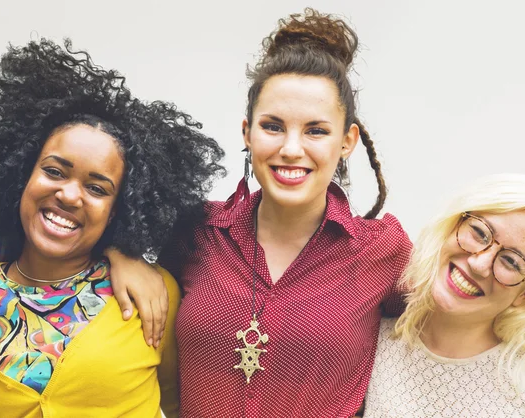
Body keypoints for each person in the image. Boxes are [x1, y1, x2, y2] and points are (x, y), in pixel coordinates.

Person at [110, 8, 412, 417]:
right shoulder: (195, 231)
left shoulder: (384, 252)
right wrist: (117, 254)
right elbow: (76, 235)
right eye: (273, 126)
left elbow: (459, 323)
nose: (291, 148)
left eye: (316, 130)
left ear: (347, 141)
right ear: (246, 132)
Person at [0, 39, 224, 417]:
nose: (69, 195)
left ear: (119, 210)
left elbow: (182, 405)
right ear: (23, 174)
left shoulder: (152, 295)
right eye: (54, 171)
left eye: (97, 188)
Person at [364, 174, 525, 417]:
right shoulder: (370, 342)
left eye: (511, 262)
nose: (479, 264)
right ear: (453, 227)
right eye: (479, 233)